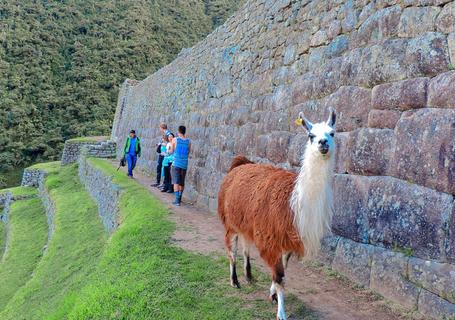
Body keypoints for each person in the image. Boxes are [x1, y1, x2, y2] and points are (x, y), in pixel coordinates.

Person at [170, 125, 190, 206]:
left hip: (176, 163)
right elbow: (188, 152)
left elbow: (171, 151)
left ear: (178, 131)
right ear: (185, 131)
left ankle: (177, 200)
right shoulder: (188, 141)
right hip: (184, 164)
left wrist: (168, 150)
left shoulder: (175, 139)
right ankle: (180, 198)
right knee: (182, 182)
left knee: (176, 182)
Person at [152, 123, 171, 187]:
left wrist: (161, 144)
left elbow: (168, 144)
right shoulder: (165, 134)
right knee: (160, 167)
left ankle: (161, 183)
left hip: (164, 154)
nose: (160, 129)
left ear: (162, 128)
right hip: (162, 153)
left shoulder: (168, 134)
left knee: (162, 168)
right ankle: (159, 182)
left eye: (160, 128)